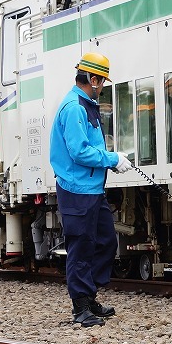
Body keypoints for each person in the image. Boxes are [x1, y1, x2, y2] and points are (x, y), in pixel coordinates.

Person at [49, 52, 133, 328]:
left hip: (91, 189)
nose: (103, 86)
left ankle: (89, 295)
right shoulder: (74, 107)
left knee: (105, 241)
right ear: (93, 79)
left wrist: (110, 159)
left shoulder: (85, 105)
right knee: (81, 247)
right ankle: (81, 307)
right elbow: (79, 151)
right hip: (77, 190)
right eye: (103, 82)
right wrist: (112, 159)